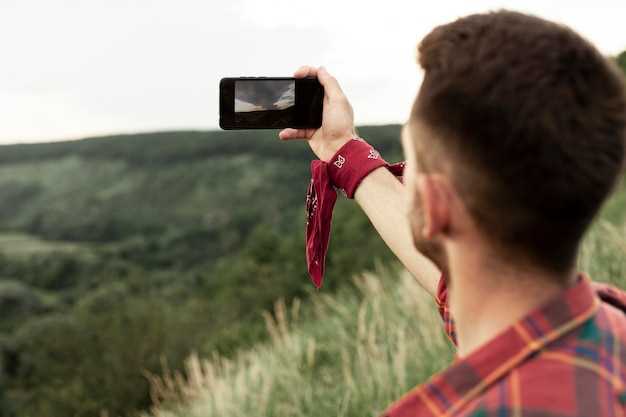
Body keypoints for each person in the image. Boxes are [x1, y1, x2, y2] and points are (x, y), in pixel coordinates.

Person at [279, 10, 626, 417]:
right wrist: (343, 149)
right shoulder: (606, 321)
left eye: (410, 163)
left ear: (434, 205)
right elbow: (458, 283)